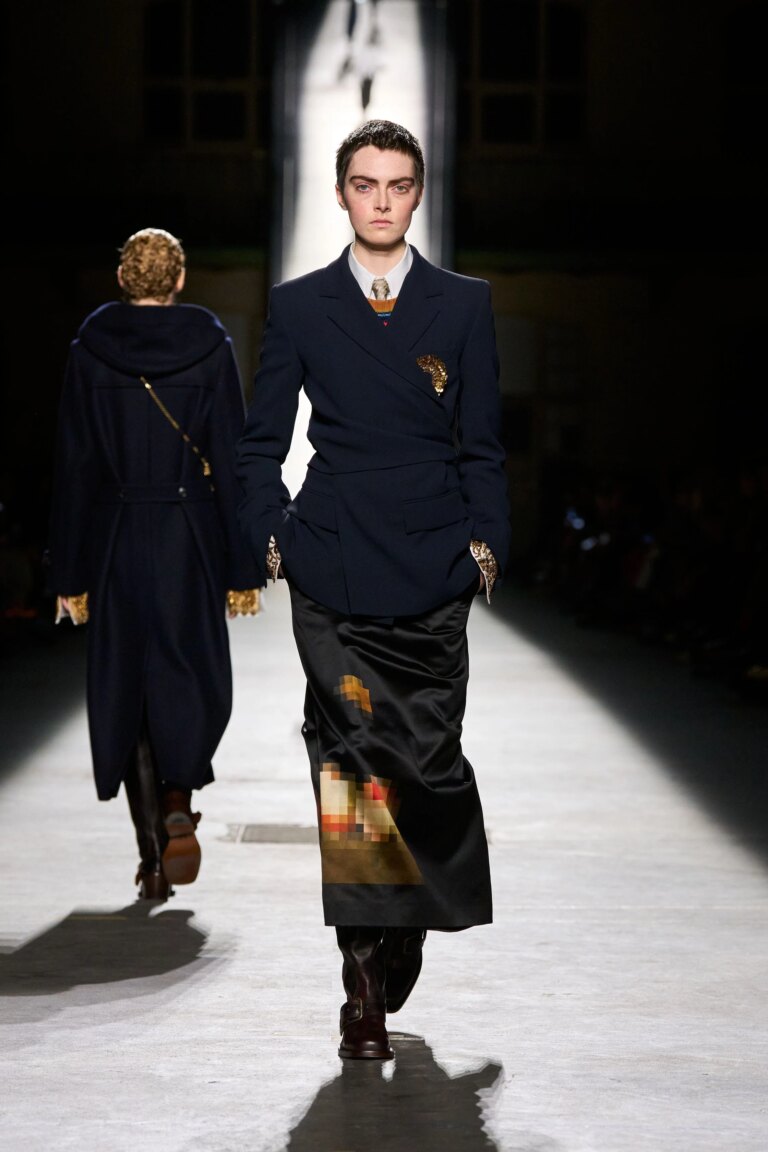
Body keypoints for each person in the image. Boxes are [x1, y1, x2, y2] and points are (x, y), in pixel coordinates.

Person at [236, 120, 510, 1060]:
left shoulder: (463, 303)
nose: (382, 200)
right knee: (352, 772)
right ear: (342, 193)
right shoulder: (301, 305)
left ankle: (408, 920)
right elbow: (261, 438)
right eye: (366, 184)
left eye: (398, 185)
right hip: (336, 565)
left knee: (430, 766)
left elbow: (483, 442)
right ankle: (361, 987)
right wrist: (271, 535)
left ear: (417, 194)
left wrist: (485, 546)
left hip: (431, 565)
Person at [48, 228, 260, 902]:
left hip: (114, 535)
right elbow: (229, 456)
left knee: (128, 690)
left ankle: (152, 860)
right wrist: (242, 568)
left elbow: (75, 465)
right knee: (188, 676)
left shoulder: (90, 349)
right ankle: (178, 798)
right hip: (188, 535)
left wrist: (68, 574)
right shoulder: (210, 345)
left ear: (123, 279)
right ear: (179, 280)